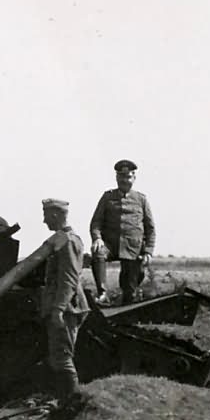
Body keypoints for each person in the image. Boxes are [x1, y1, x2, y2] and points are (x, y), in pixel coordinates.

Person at [39, 198, 90, 401]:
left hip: (67, 308)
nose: (44, 221)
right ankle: (64, 402)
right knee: (58, 358)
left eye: (46, 215)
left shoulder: (67, 241)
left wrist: (58, 310)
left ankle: (72, 404)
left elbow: (68, 279)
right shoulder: (64, 239)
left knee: (62, 359)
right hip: (64, 306)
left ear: (56, 215)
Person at [89, 159, 156, 305]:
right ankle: (102, 293)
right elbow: (96, 222)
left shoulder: (141, 199)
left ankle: (125, 305)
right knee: (98, 252)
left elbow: (150, 228)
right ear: (117, 178)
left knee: (130, 289)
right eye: (121, 177)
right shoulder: (107, 197)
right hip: (110, 245)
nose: (124, 180)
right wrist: (97, 238)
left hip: (133, 249)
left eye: (128, 177)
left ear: (134, 178)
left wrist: (148, 251)